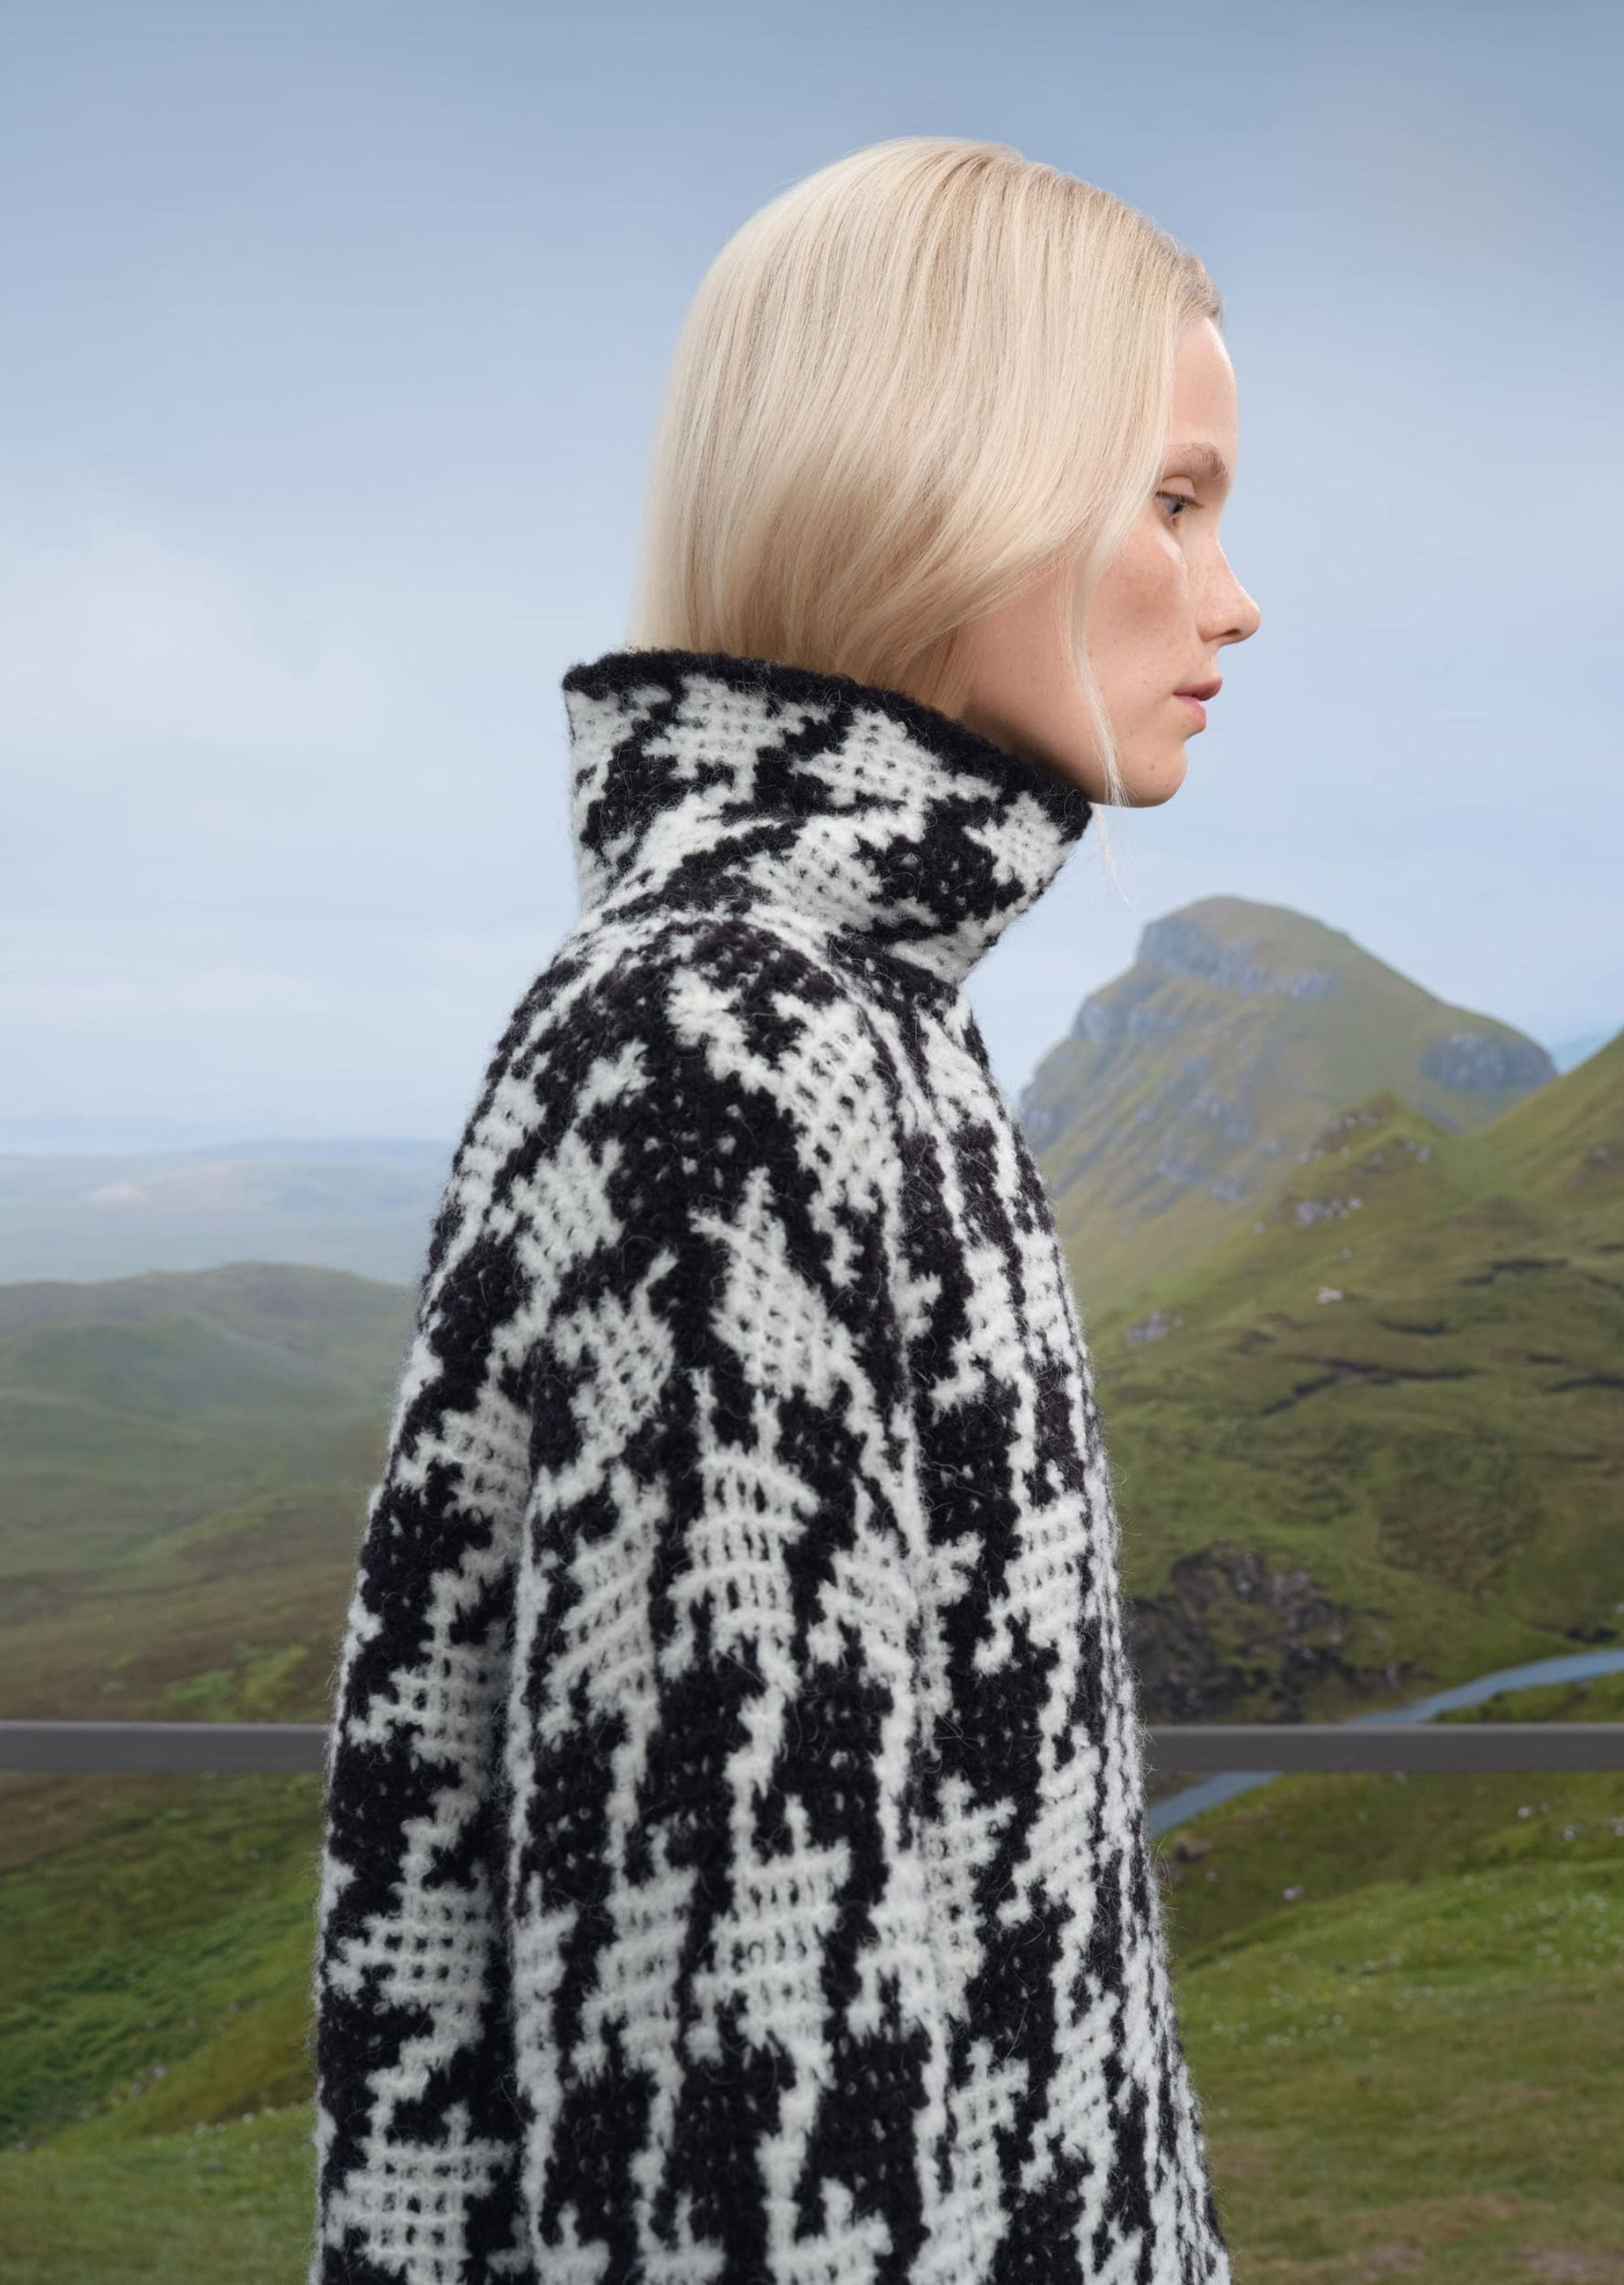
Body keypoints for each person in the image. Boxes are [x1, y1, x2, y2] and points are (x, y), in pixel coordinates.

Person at [308, 133, 1261, 2285]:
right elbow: (737, 2067)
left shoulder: (859, 1010)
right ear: (946, 490)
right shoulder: (731, 1052)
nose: (1233, 596)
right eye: (1177, 499)